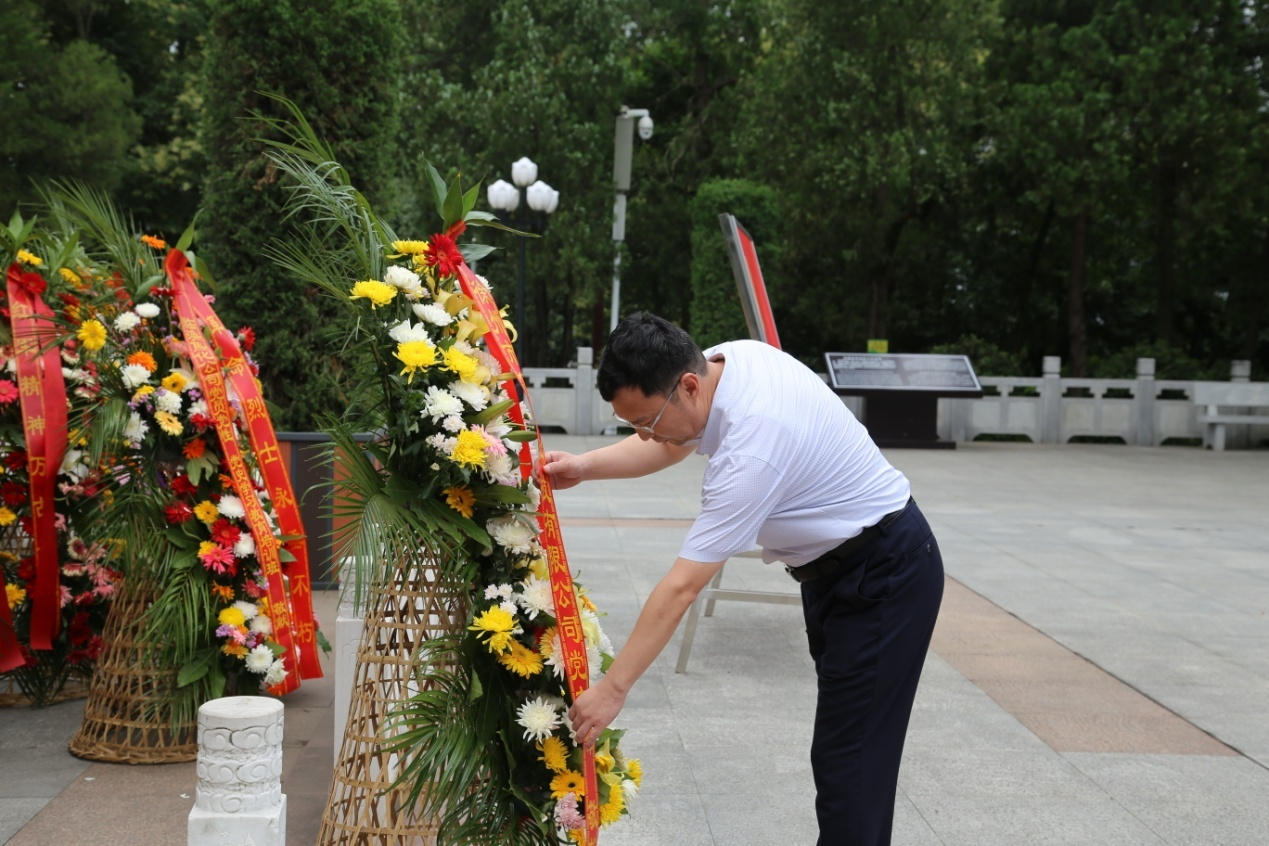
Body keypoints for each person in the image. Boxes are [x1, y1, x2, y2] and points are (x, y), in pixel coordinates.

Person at [542, 312, 944, 846]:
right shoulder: (723, 364)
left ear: (687, 386)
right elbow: (671, 440)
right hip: (842, 569)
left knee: (851, 762)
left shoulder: (753, 444)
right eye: (632, 425)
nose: (645, 435)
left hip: (885, 575)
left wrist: (613, 689)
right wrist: (586, 466)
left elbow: (683, 585)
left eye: (647, 421)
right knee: (852, 756)